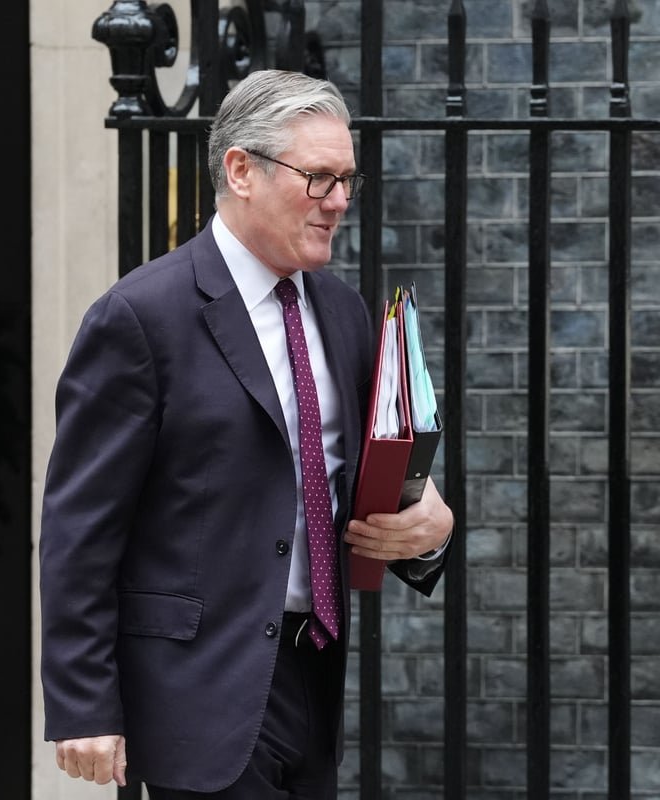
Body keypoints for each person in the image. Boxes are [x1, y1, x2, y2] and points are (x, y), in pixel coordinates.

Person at [38, 69, 455, 799]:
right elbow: (80, 529)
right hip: (197, 693)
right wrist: (84, 704)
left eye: (347, 181)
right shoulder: (140, 317)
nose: (339, 201)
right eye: (319, 177)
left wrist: (432, 526)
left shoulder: (344, 313)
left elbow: (366, 477)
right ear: (241, 171)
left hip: (313, 678)